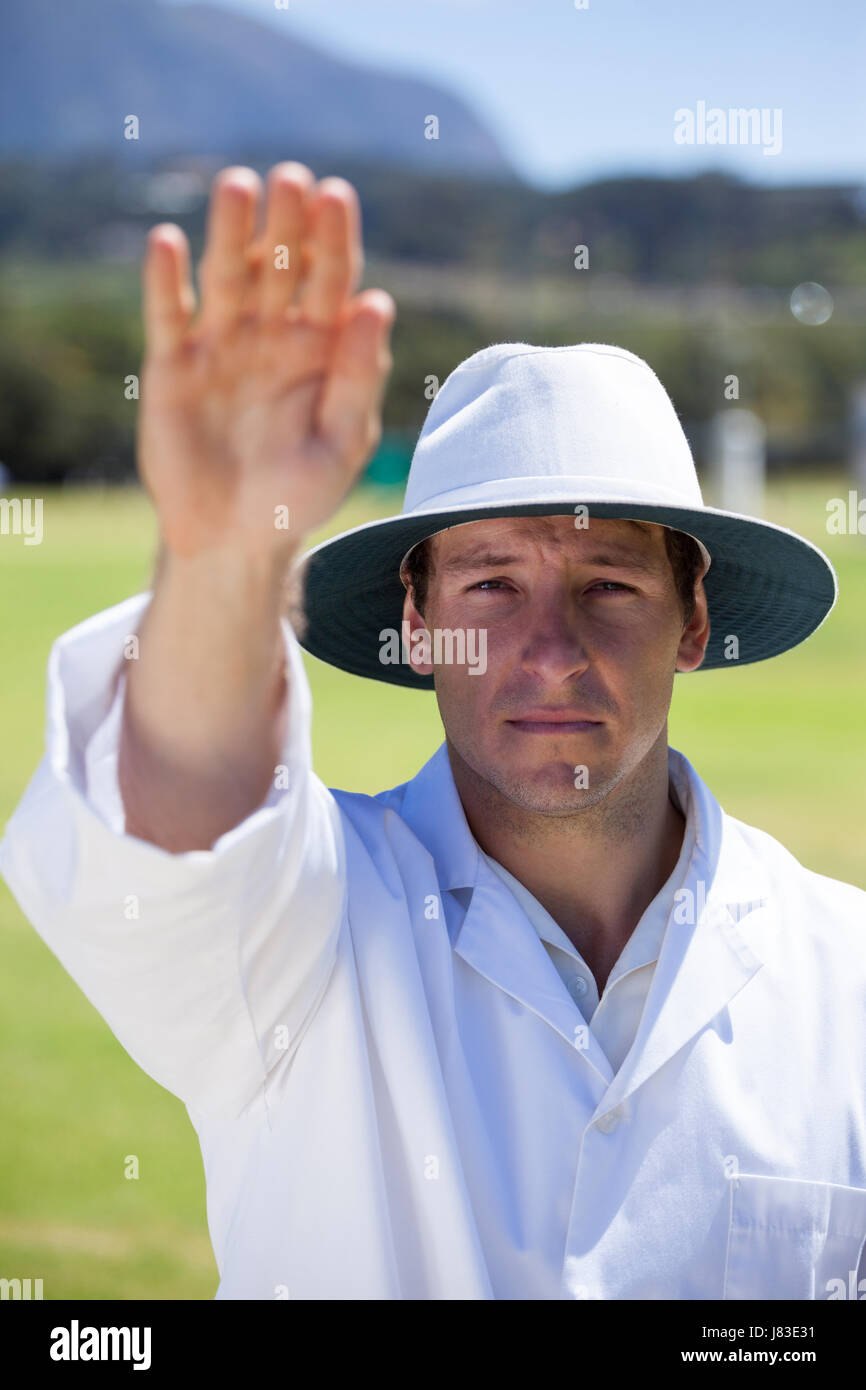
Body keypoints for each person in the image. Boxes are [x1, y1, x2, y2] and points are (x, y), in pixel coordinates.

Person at [2, 161, 865, 1302]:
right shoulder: (305, 930)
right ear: (415, 628)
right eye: (489, 586)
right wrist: (218, 555)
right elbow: (174, 827)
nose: (548, 649)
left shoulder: (843, 974)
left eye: (607, 584)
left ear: (692, 620)